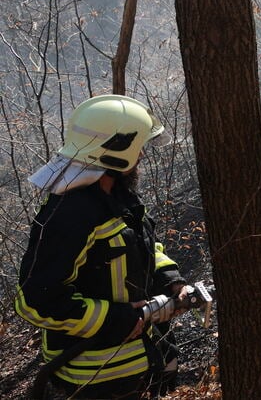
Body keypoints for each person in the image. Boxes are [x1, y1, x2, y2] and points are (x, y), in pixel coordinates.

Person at [15, 95, 190, 399]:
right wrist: (115, 318)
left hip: (136, 362)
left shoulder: (118, 199)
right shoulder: (71, 214)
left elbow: (143, 250)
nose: (143, 156)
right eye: (139, 148)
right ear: (116, 152)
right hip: (95, 377)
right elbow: (35, 301)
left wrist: (172, 282)